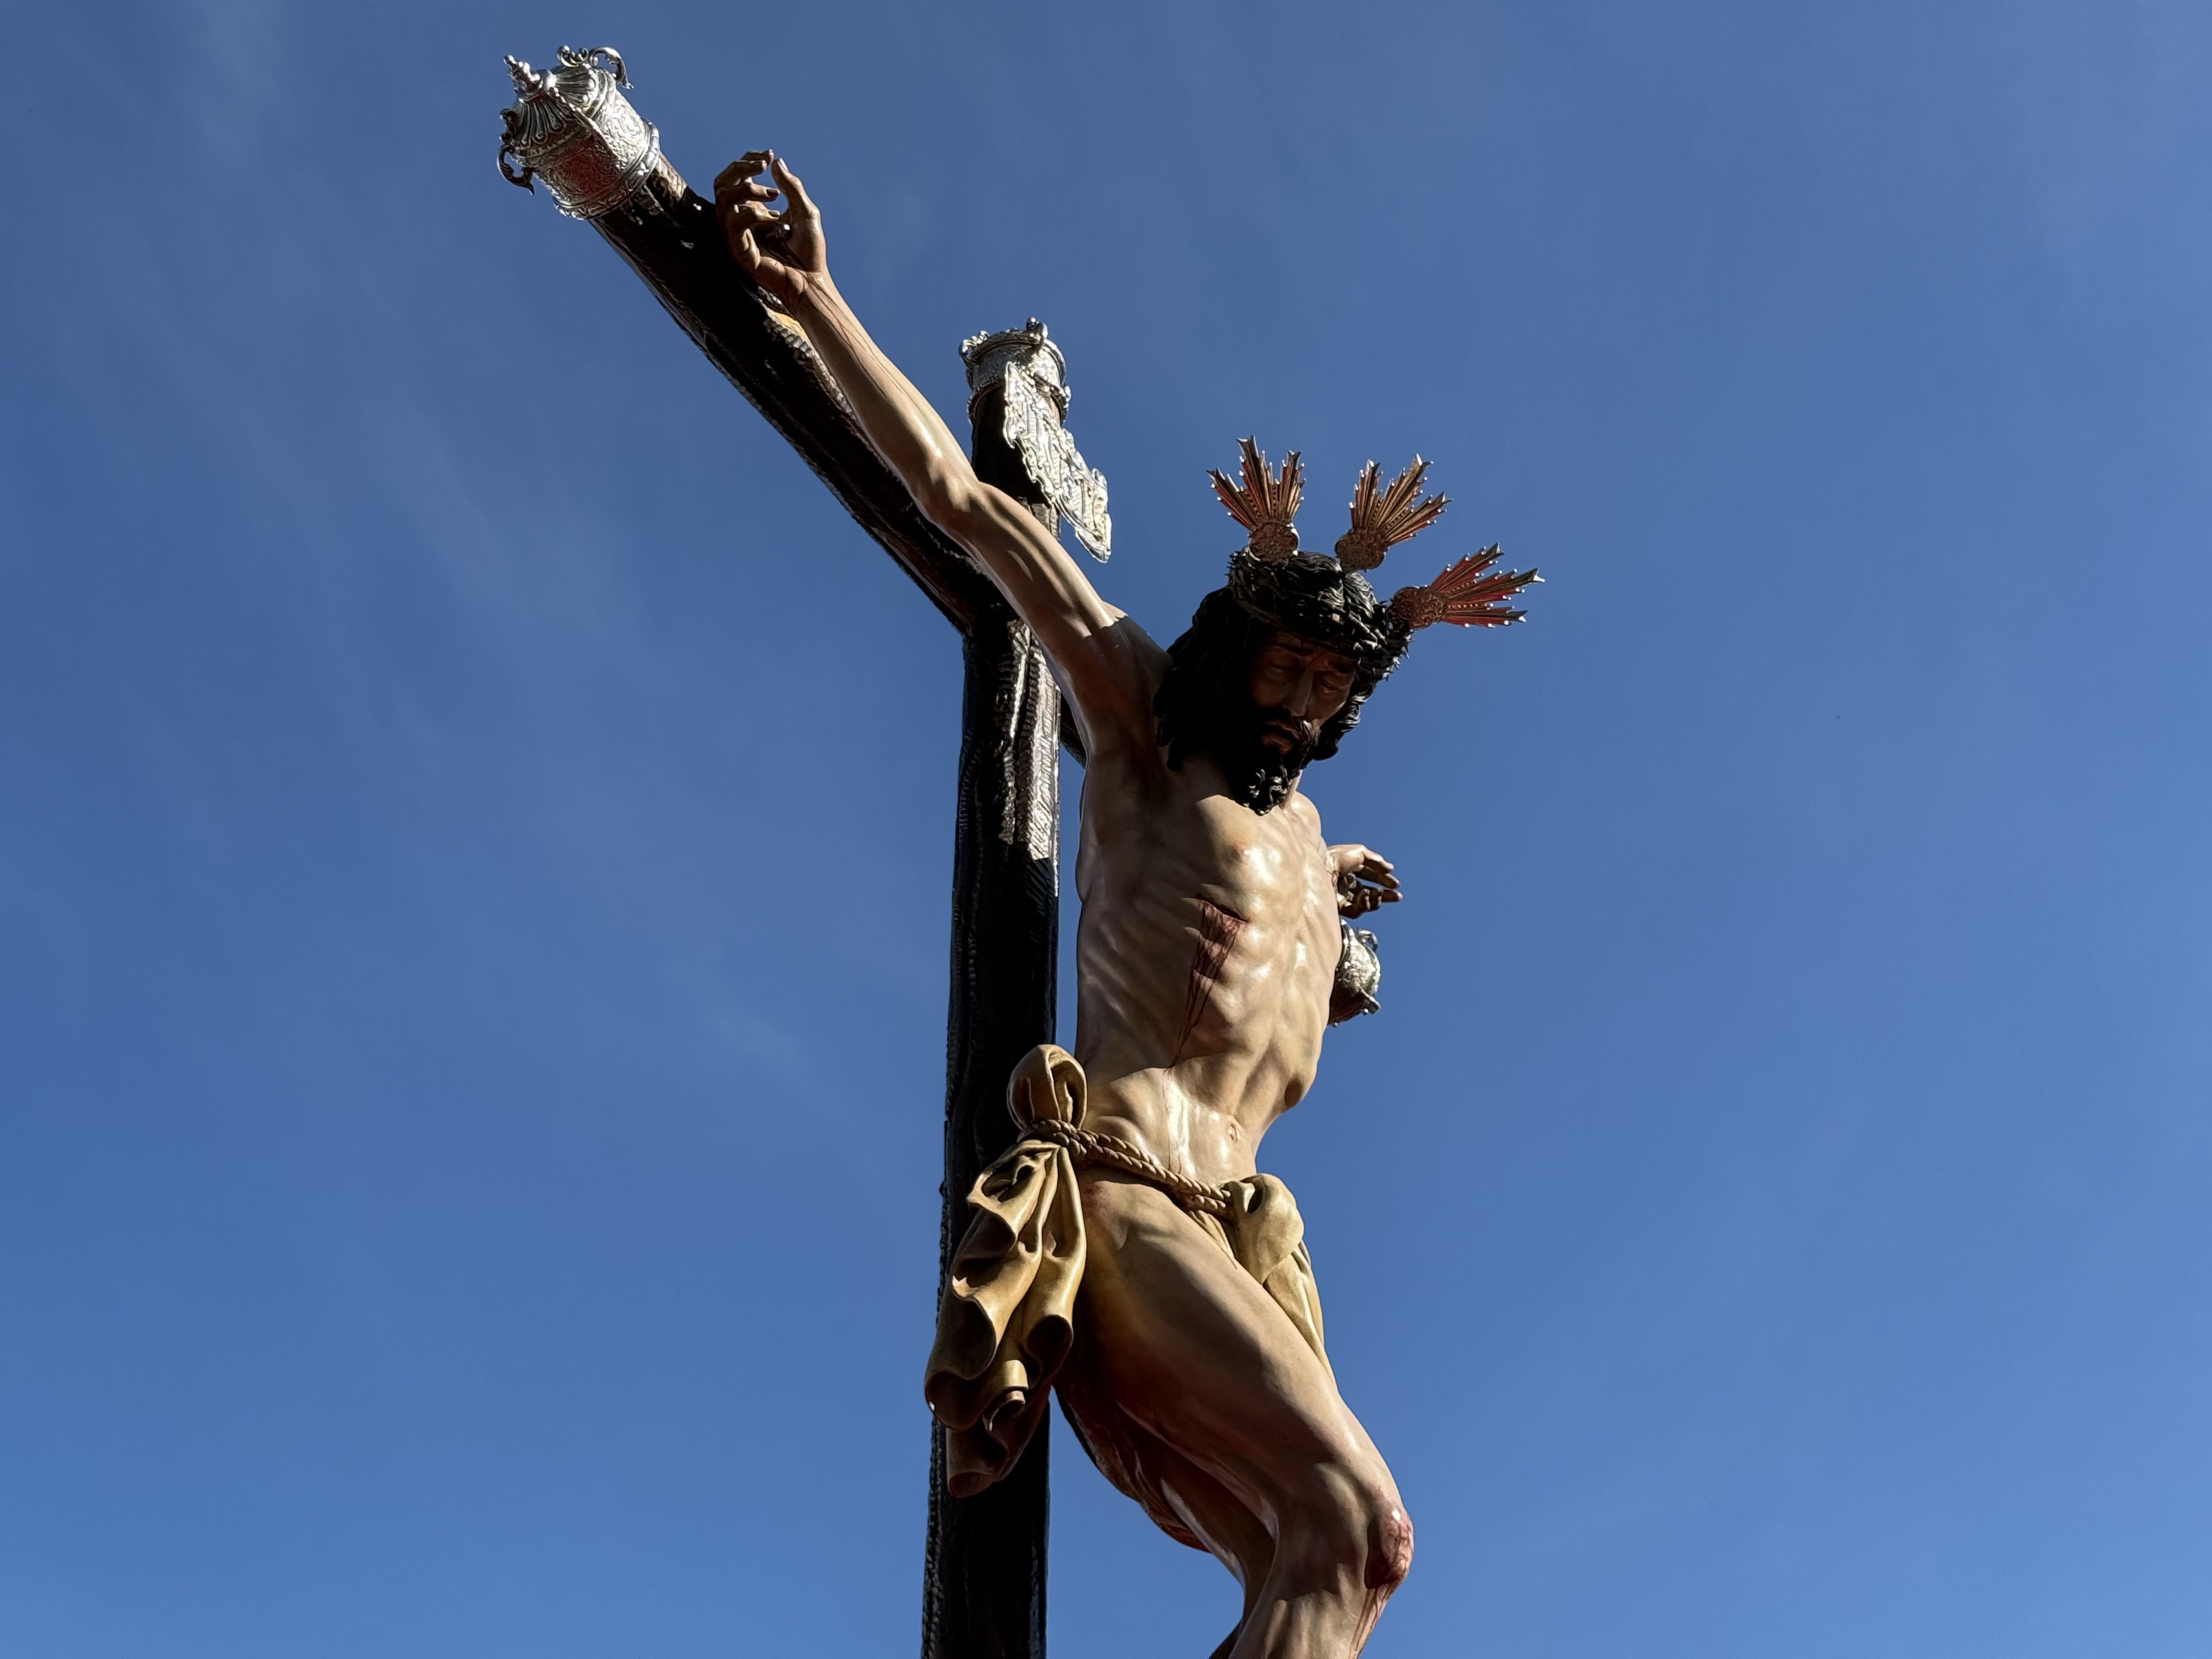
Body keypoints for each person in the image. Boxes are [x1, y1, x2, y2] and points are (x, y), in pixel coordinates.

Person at [714, 150, 1533, 1659]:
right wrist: (820, 305)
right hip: (1129, 1203)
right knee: (1355, 1522)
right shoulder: (1144, 724)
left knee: (1346, 1567)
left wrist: (1332, 890)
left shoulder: (1302, 848)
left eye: (1333, 684)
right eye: (1286, 664)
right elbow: (966, 504)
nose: (1303, 697)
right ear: (1235, 646)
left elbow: (1260, 918)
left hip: (1234, 1241)